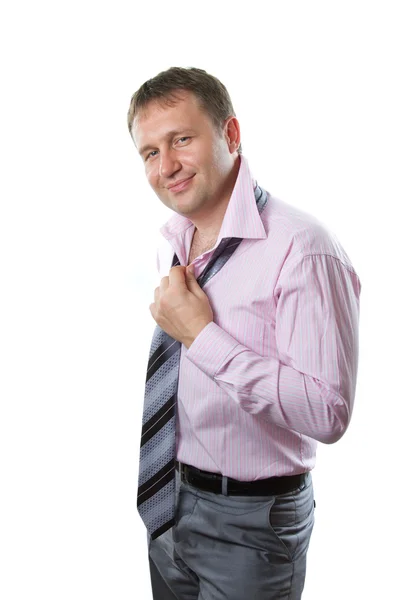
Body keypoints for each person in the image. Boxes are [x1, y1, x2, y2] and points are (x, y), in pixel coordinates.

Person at [127, 67, 361, 599]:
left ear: (231, 135)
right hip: (170, 500)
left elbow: (328, 413)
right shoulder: (175, 238)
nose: (167, 167)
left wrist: (203, 337)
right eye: (149, 152)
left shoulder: (303, 248)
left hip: (253, 526)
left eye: (182, 139)